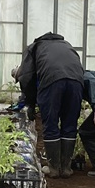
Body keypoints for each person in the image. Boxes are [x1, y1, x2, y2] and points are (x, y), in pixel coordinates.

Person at [17, 32, 85, 179]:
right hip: (77, 82)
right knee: (69, 122)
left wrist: (29, 102)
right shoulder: (67, 45)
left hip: (52, 81)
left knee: (51, 122)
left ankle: (54, 168)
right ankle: (66, 168)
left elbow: (26, 76)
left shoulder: (35, 47)